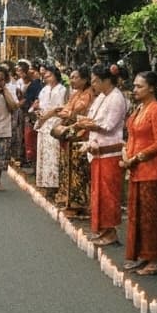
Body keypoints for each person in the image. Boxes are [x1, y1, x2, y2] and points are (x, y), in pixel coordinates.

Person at [120, 71, 157, 275]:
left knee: (149, 216)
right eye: (134, 86)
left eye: (139, 86)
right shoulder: (140, 108)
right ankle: (142, 254)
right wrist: (126, 153)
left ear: (152, 87)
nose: (134, 90)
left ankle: (153, 260)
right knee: (136, 214)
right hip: (136, 169)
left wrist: (137, 157)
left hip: (152, 171)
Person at [84, 63, 129, 247]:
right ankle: (101, 228)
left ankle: (110, 231)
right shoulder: (102, 96)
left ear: (104, 81)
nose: (93, 84)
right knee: (99, 192)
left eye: (95, 81)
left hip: (110, 152)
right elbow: (94, 118)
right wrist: (85, 123)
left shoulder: (117, 98)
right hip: (98, 151)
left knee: (109, 193)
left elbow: (108, 126)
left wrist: (87, 125)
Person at [54, 66, 95, 219]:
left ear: (84, 79)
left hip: (81, 135)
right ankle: (69, 200)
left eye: (75, 77)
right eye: (70, 77)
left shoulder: (88, 95)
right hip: (71, 133)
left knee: (78, 169)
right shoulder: (75, 94)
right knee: (69, 167)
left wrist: (67, 113)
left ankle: (79, 204)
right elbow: (67, 110)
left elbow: (74, 111)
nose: (71, 80)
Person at [33, 65, 67, 196]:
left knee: (53, 153)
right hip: (43, 123)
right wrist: (39, 113)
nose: (47, 78)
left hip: (55, 123)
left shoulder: (62, 90)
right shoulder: (44, 90)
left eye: (49, 75)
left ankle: (54, 184)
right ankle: (45, 183)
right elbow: (40, 105)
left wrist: (49, 114)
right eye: (45, 76)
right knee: (44, 153)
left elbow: (62, 108)